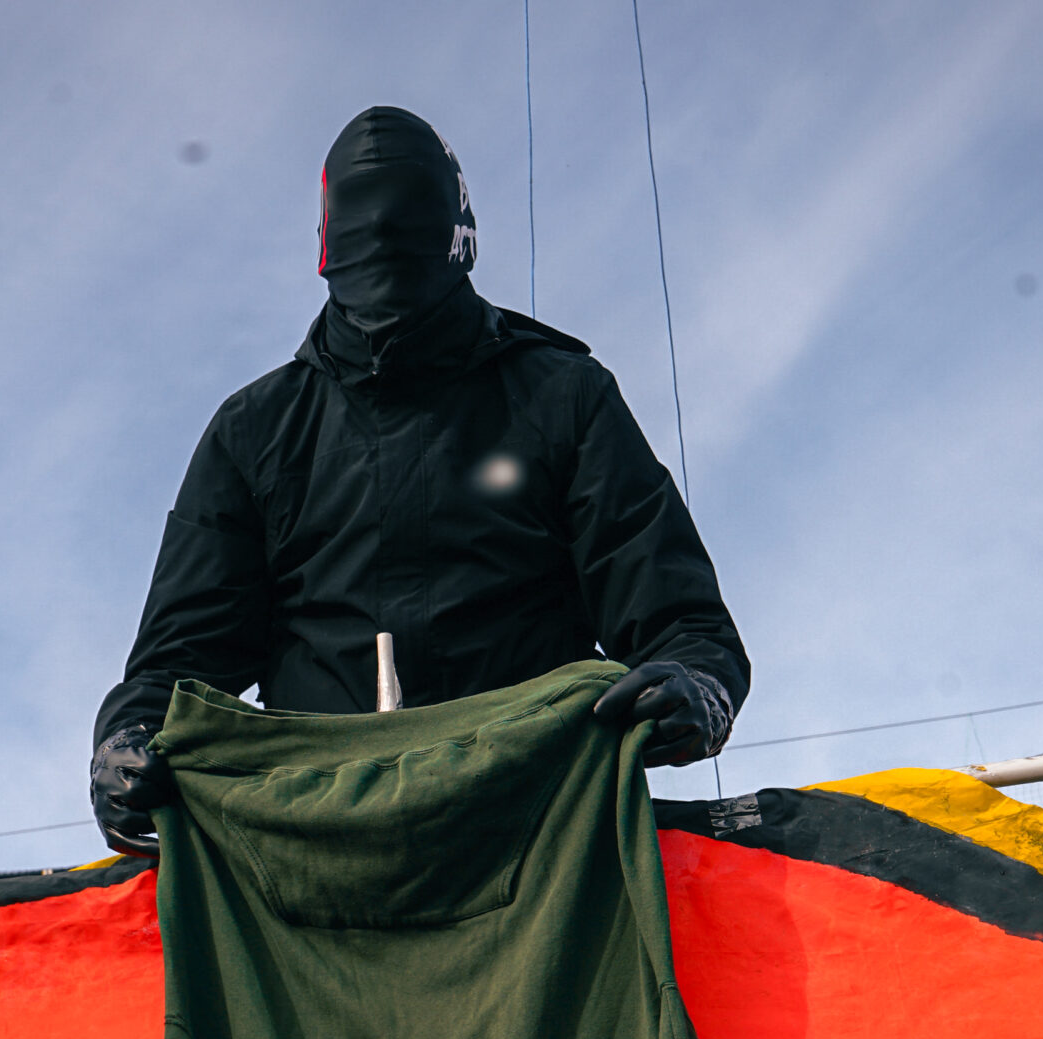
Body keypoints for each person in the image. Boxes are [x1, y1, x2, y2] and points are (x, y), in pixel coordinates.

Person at [90, 106, 749, 855]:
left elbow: (675, 612)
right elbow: (181, 660)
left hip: (543, 824)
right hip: (317, 836)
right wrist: (129, 735)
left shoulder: (561, 395)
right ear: (330, 246)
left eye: (405, 240)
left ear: (454, 237)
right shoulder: (256, 430)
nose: (385, 267)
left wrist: (698, 684)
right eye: (367, 241)